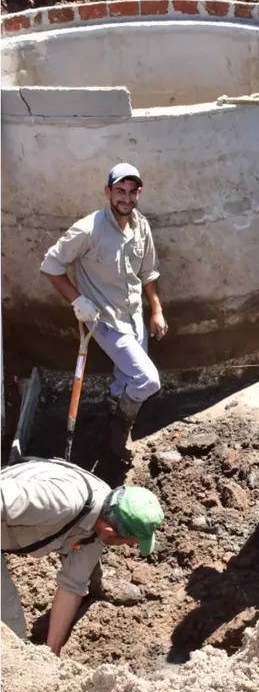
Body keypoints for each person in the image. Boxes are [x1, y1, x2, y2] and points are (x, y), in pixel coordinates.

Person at [40, 163, 166, 462]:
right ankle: (119, 430)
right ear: (108, 192)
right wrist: (78, 301)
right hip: (105, 320)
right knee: (147, 380)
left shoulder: (141, 226)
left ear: (139, 193)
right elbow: (51, 265)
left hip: (133, 314)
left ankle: (110, 421)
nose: (126, 198)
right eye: (120, 191)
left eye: (132, 191)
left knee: (125, 377)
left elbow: (148, 272)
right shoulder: (88, 230)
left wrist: (156, 311)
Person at [1, 458, 165, 655]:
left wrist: (51, 656)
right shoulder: (60, 501)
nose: (130, 546)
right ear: (109, 532)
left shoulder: (98, 524)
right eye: (129, 541)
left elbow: (72, 586)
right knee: (12, 632)